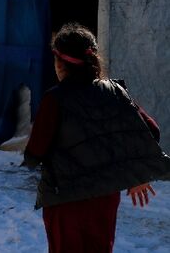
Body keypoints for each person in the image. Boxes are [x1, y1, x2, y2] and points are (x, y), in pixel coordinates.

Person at [24, 23, 170, 253]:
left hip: (65, 202)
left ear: (60, 63)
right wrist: (136, 173)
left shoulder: (55, 99)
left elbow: (34, 154)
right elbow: (150, 131)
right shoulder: (115, 91)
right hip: (104, 199)